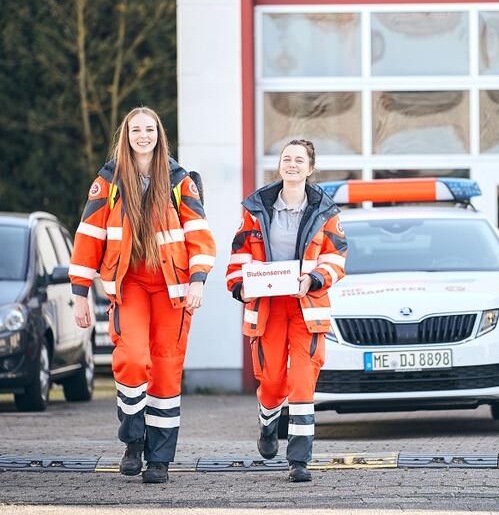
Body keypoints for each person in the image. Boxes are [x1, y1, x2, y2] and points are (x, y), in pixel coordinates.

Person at [69, 107, 216, 484]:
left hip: (173, 289)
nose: (143, 136)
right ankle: (133, 440)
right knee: (133, 360)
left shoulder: (181, 180)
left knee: (166, 373)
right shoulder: (110, 179)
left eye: (150, 129)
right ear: (126, 134)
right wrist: (79, 293)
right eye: (137, 130)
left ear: (159, 134)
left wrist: (199, 280)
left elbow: (199, 232)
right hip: (129, 284)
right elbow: (89, 236)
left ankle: (160, 459)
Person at [226, 139, 347, 482]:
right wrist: (240, 284)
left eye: (299, 160)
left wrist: (315, 278)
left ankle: (299, 458)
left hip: (306, 305)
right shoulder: (257, 208)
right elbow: (239, 254)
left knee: (303, 380)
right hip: (267, 306)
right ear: (279, 165)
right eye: (286, 159)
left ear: (310, 168)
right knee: (273, 380)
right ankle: (267, 423)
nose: (292, 164)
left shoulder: (326, 213)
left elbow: (336, 258)